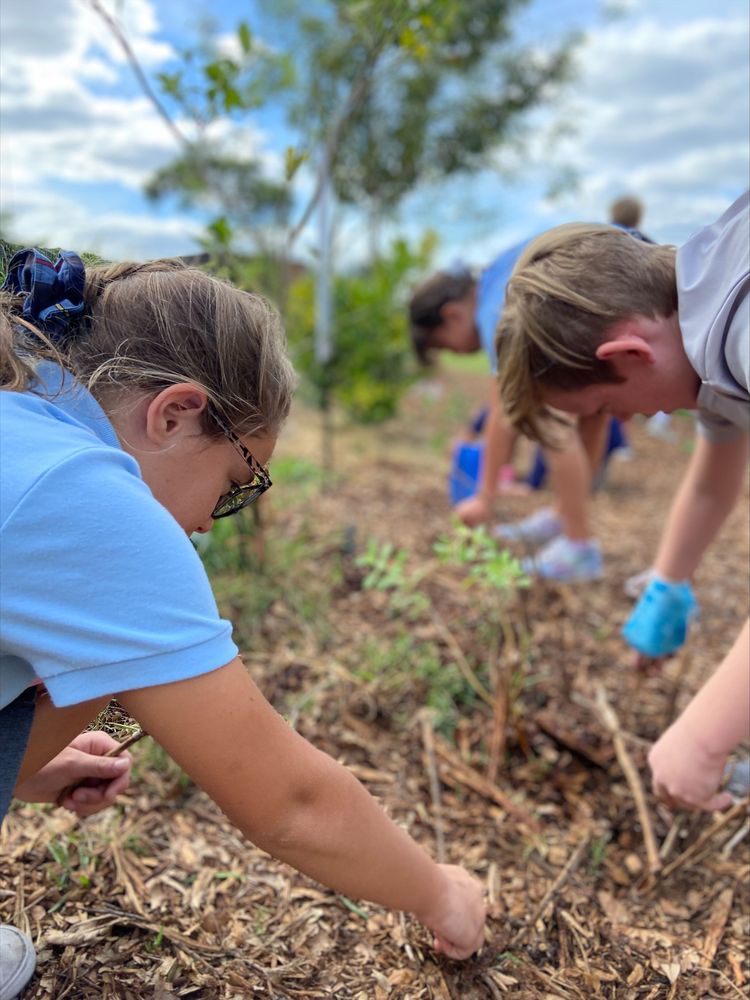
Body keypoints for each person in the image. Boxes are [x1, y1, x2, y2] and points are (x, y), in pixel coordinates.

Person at [0, 249, 486, 997]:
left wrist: (30, 768)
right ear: (176, 412)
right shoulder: (84, 492)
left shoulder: (25, 411)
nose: (212, 525)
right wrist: (441, 894)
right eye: (236, 485)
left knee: (83, 680)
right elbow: (290, 804)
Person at [495, 191, 749, 812]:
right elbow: (715, 474)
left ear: (629, 354)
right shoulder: (700, 318)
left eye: (606, 409)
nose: (622, 422)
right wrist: (666, 585)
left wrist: (706, 733)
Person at [409, 252, 606, 583]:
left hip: (613, 284)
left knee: (545, 413)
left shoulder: (493, 310)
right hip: (617, 281)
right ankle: (564, 515)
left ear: (452, 314)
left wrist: (484, 497)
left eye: (444, 345)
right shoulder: (497, 275)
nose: (455, 352)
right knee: (592, 407)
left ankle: (578, 543)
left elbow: (503, 409)